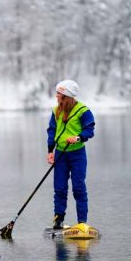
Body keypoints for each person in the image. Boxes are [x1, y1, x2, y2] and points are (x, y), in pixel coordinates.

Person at [46, 80, 95, 229]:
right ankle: (58, 221)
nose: (56, 97)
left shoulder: (83, 111)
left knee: (78, 188)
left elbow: (90, 130)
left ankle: (82, 223)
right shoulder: (56, 111)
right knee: (59, 189)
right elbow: (51, 131)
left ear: (66, 96)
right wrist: (50, 151)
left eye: (59, 94)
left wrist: (78, 137)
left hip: (77, 155)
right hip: (60, 154)